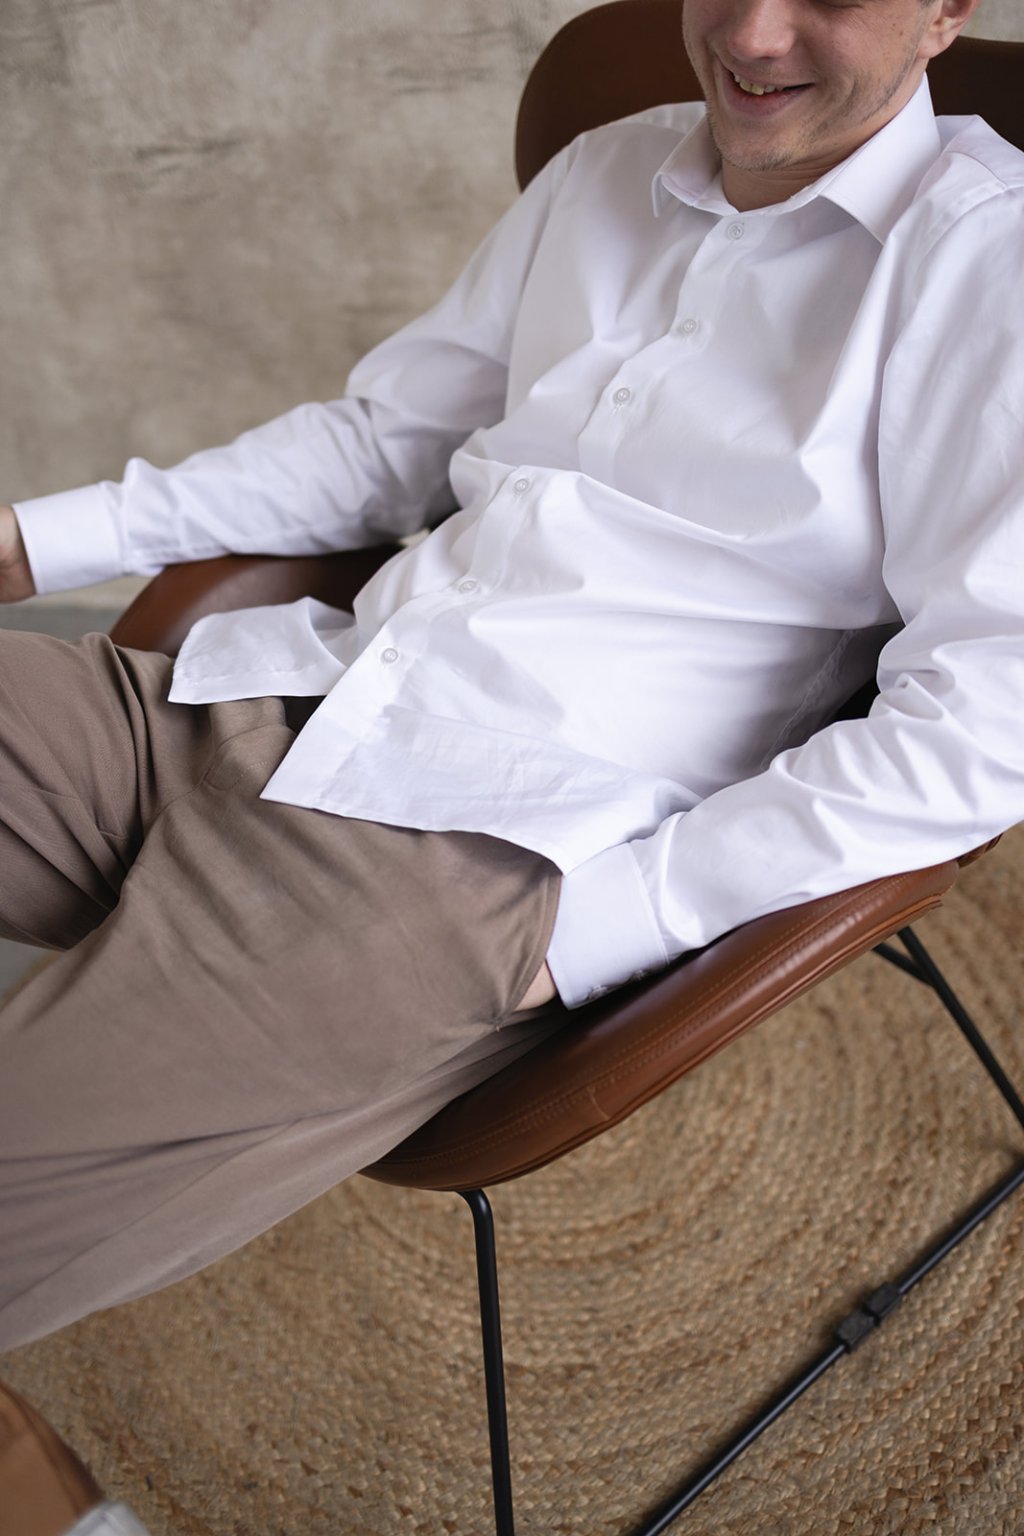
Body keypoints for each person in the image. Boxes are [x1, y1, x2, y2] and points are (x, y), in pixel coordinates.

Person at [3, 0, 1023, 1529]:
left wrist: (592, 933)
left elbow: (988, 718)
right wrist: (35, 540)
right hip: (272, 690)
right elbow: (381, 444)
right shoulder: (610, 168)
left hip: (455, 860)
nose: (754, 34)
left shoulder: (990, 262)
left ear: (946, 10)